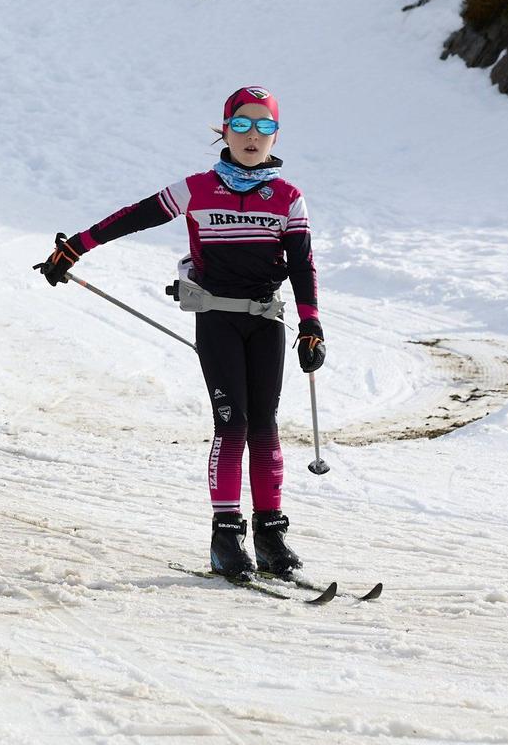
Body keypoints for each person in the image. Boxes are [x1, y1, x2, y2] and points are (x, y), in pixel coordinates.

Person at [35, 86, 325, 578]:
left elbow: (302, 265)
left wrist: (311, 325)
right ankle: (226, 539)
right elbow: (133, 217)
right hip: (216, 318)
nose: (253, 136)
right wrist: (76, 247)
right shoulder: (196, 189)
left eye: (265, 126)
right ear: (225, 130)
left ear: (276, 134)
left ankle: (272, 536)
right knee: (232, 426)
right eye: (242, 125)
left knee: (266, 427)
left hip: (266, 321)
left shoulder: (288, 198)